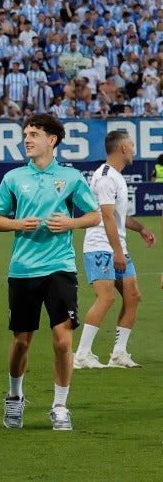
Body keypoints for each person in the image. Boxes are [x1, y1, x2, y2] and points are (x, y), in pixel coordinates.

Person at [0, 114, 101, 431]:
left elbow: (93, 216)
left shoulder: (71, 177)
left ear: (52, 140)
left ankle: (60, 406)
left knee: (63, 341)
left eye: (34, 134)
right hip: (23, 269)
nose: (27, 139)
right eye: (26, 134)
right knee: (22, 340)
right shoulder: (13, 178)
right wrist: (17, 224)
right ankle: (14, 398)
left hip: (60, 268)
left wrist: (70, 223)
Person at [75, 129, 154, 370]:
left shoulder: (116, 176)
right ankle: (81, 356)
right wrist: (118, 251)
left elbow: (119, 217)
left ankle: (118, 354)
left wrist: (140, 228)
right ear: (122, 148)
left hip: (115, 246)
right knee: (106, 297)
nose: (134, 150)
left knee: (133, 296)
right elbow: (107, 217)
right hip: (101, 246)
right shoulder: (107, 176)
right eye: (131, 145)